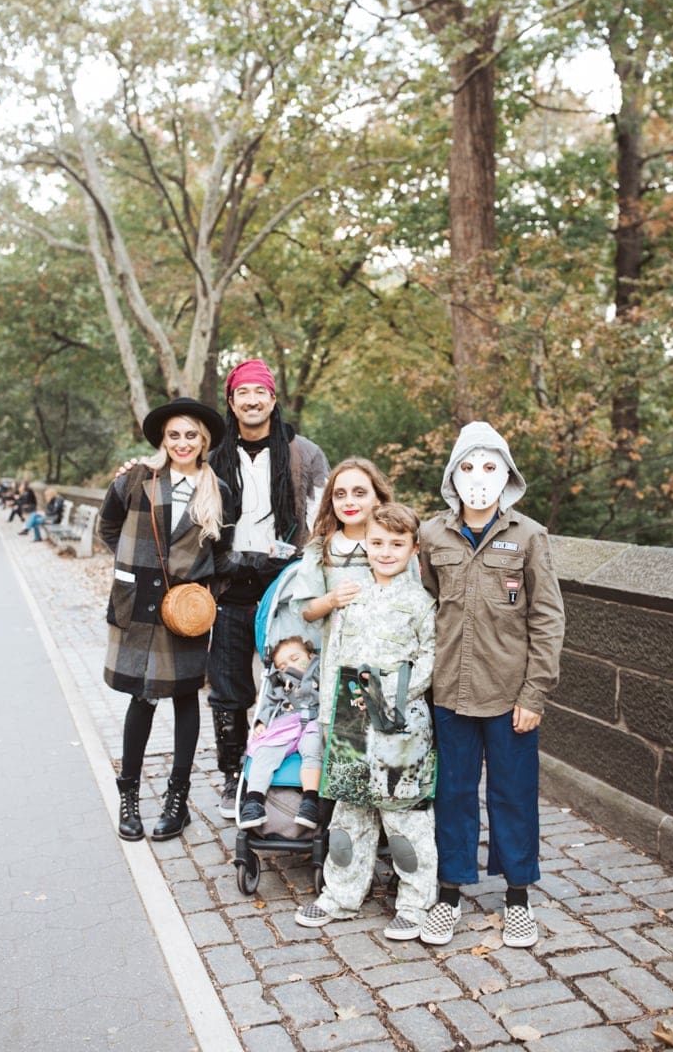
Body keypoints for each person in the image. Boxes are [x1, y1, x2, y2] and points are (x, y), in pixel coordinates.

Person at [418, 421, 564, 950]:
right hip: (450, 693)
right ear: (452, 475)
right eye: (468, 467)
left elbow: (547, 618)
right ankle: (450, 891)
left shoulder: (529, 536)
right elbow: (427, 605)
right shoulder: (432, 535)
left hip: (510, 696)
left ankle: (519, 896)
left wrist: (535, 694)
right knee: (452, 793)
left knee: (514, 794)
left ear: (506, 474)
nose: (478, 478)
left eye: (489, 467)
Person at [295, 502, 437, 941]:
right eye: (377, 543)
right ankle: (341, 895)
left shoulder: (420, 603)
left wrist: (391, 695)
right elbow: (334, 654)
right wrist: (327, 717)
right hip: (350, 721)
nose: (386, 552)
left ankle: (415, 902)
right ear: (366, 545)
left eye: (397, 544)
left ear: (414, 549)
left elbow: (431, 656)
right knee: (350, 811)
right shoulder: (351, 597)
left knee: (404, 816)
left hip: (399, 723)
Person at [98, 397, 234, 843]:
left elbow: (223, 555)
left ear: (204, 441)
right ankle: (130, 797)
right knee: (140, 698)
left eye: (191, 435)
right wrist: (132, 570)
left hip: (185, 614)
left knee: (184, 698)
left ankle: (178, 801)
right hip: (138, 607)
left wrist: (202, 595)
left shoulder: (218, 492)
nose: (182, 442)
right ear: (163, 439)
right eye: (174, 435)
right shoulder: (137, 479)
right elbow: (109, 528)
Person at [207, 358, 329, 817]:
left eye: (261, 392)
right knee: (228, 688)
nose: (252, 400)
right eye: (243, 393)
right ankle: (232, 774)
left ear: (273, 399)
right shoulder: (215, 455)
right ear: (232, 402)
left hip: (286, 587)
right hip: (231, 583)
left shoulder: (305, 454)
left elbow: (321, 520)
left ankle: (297, 771)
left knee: (294, 679)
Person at [289, 457, 395, 729]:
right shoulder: (322, 548)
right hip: (344, 667)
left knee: (390, 749)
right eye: (340, 494)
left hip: (391, 666)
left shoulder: (395, 544)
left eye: (360, 493)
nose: (349, 501)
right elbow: (304, 610)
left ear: (378, 499)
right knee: (349, 753)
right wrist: (331, 600)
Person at [239, 636, 322, 830]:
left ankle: (310, 802)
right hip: (287, 722)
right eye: (283, 665)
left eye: (295, 658)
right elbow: (268, 704)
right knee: (264, 751)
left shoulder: (319, 671)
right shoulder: (278, 681)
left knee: (313, 747)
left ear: (310, 656)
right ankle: (254, 801)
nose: (289, 667)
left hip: (315, 720)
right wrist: (262, 721)